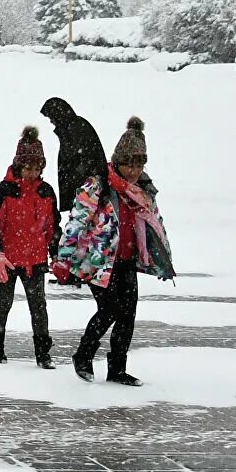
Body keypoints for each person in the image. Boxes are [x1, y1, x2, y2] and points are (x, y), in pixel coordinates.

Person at [64, 118, 173, 386]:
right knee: (110, 309)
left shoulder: (143, 189)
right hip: (99, 261)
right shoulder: (98, 184)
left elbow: (155, 224)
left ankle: (117, 369)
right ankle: (83, 355)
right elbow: (77, 221)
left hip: (125, 261)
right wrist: (64, 258)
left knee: (128, 314)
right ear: (117, 161)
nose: (134, 170)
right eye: (129, 164)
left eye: (139, 164)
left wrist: (164, 259)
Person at [0, 127, 60, 368]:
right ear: (18, 165)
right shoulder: (3, 191)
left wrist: (55, 253)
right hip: (7, 259)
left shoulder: (46, 192)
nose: (32, 172)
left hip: (35, 260)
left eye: (37, 168)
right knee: (3, 304)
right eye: (28, 167)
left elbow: (52, 224)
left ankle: (43, 352)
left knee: (39, 307)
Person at [40, 96, 108, 211]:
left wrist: (78, 193)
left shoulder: (74, 129)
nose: (51, 121)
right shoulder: (72, 128)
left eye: (51, 117)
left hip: (88, 195)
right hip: (86, 194)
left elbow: (78, 164)